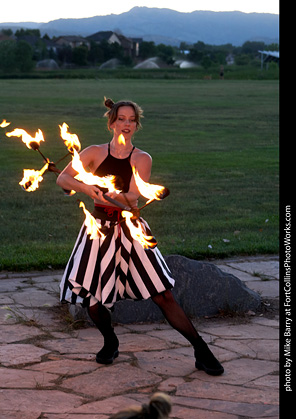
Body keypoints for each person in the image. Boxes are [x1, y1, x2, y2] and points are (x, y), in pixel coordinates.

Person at [57, 98, 224, 376]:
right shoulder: (94, 153)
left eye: (131, 120)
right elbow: (64, 179)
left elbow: (134, 195)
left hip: (130, 230)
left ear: (136, 125)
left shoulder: (141, 158)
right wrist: (90, 190)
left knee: (163, 295)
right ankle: (110, 341)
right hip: (97, 231)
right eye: (121, 118)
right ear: (111, 122)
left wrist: (110, 193)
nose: (126, 124)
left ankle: (201, 349)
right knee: (92, 300)